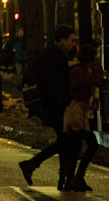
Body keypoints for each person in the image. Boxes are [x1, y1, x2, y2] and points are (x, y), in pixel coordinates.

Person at [18, 25, 79, 190]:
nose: (74, 44)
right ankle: (33, 165)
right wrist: (62, 101)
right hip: (54, 106)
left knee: (65, 140)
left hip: (52, 105)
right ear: (62, 40)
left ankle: (61, 178)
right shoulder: (56, 58)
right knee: (67, 140)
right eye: (72, 40)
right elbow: (53, 84)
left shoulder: (54, 55)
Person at [63, 43, 103, 191]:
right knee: (90, 144)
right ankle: (76, 177)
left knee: (76, 146)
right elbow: (95, 81)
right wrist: (98, 66)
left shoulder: (77, 68)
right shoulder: (78, 70)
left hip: (79, 110)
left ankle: (72, 178)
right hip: (76, 112)